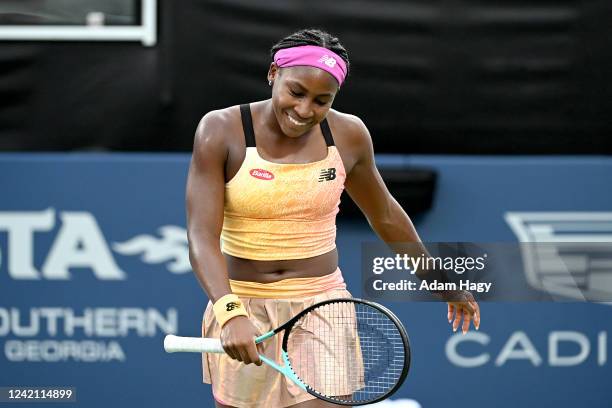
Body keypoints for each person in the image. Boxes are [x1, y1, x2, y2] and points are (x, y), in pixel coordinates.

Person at [186, 28, 481, 408]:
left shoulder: (349, 135)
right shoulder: (220, 130)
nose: (305, 110)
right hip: (242, 303)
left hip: (321, 304)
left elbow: (386, 214)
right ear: (273, 73)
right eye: (296, 92)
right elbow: (200, 236)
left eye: (321, 100)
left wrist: (437, 278)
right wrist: (229, 311)